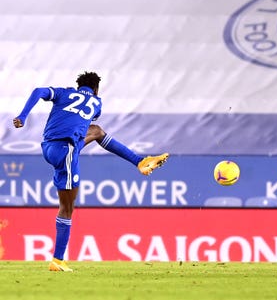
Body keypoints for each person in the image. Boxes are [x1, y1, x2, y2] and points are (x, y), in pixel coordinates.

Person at [13, 72, 169, 272]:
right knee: (67, 208)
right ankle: (57, 261)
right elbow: (85, 114)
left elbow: (39, 91)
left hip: (49, 146)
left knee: (96, 131)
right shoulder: (96, 102)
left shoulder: (64, 93)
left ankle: (139, 161)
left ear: (79, 86)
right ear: (96, 89)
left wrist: (23, 116)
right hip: (67, 151)